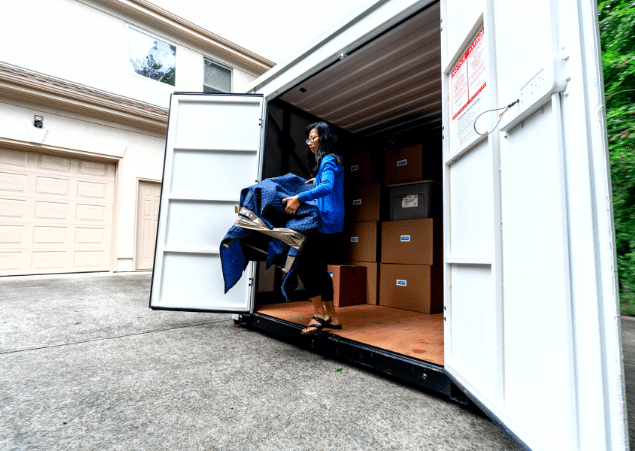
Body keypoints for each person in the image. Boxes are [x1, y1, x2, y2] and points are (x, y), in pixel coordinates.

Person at [282, 122, 345, 335]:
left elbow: (327, 187)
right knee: (319, 268)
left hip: (324, 221)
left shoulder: (327, 159)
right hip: (332, 221)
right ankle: (332, 316)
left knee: (305, 265)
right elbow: (327, 182)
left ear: (323, 139)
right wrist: (314, 179)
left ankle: (319, 314)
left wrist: (299, 197)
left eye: (313, 138)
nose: (310, 143)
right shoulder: (332, 160)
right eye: (308, 139)